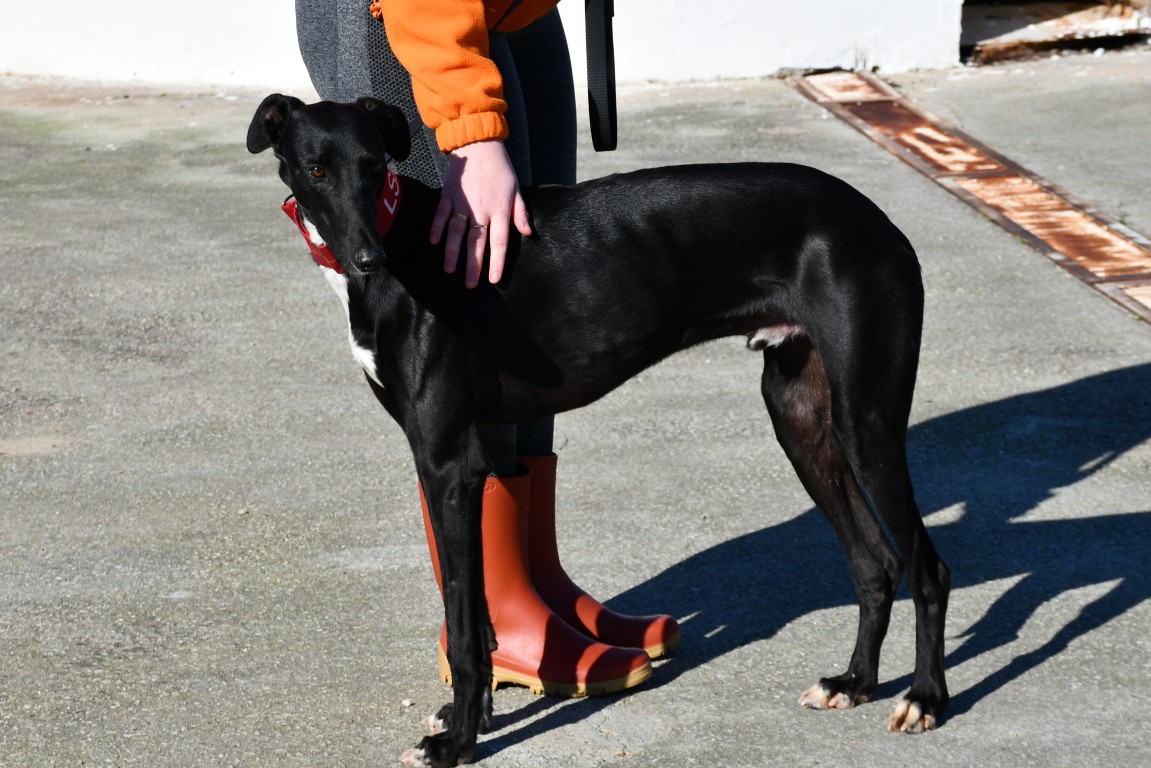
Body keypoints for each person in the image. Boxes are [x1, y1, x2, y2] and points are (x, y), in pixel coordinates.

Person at [293, 0, 680, 696]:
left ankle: (534, 581)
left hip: (508, 7)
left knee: (529, 278)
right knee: (472, 295)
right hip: (415, 16)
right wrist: (468, 129)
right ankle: (496, 617)